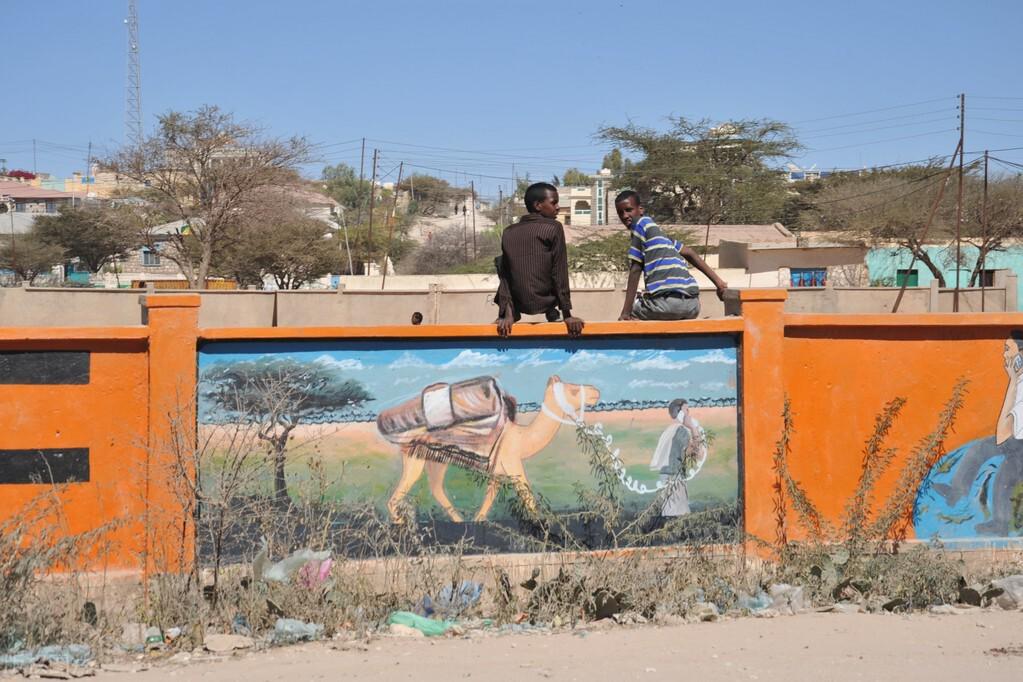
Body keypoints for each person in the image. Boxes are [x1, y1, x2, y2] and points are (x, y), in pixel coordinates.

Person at [614, 191, 728, 320]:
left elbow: (635, 269)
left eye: (629, 210)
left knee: (633, 309)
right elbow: (689, 253)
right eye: (620, 213)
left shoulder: (640, 225)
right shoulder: (660, 235)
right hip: (693, 306)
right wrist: (719, 283)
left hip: (666, 304)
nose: (625, 216)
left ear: (640, 210)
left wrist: (625, 313)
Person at [495, 182, 584, 337]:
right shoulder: (553, 227)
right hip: (546, 300)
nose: (557, 207)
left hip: (518, 302)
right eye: (553, 203)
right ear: (538, 205)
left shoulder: (508, 232)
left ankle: (511, 312)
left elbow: (505, 277)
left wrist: (506, 313)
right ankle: (552, 312)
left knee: (502, 262)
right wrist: (567, 315)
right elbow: (559, 271)